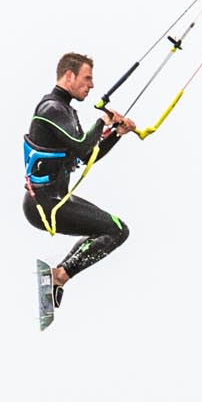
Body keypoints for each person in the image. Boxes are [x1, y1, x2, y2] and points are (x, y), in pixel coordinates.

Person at [22, 53, 137, 309]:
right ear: (69, 76)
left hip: (57, 200)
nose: (92, 85)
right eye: (87, 78)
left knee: (112, 229)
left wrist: (116, 133)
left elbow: (86, 157)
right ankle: (58, 277)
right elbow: (84, 146)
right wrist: (103, 121)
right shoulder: (51, 108)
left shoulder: (67, 113)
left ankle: (57, 276)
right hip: (43, 205)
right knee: (117, 230)